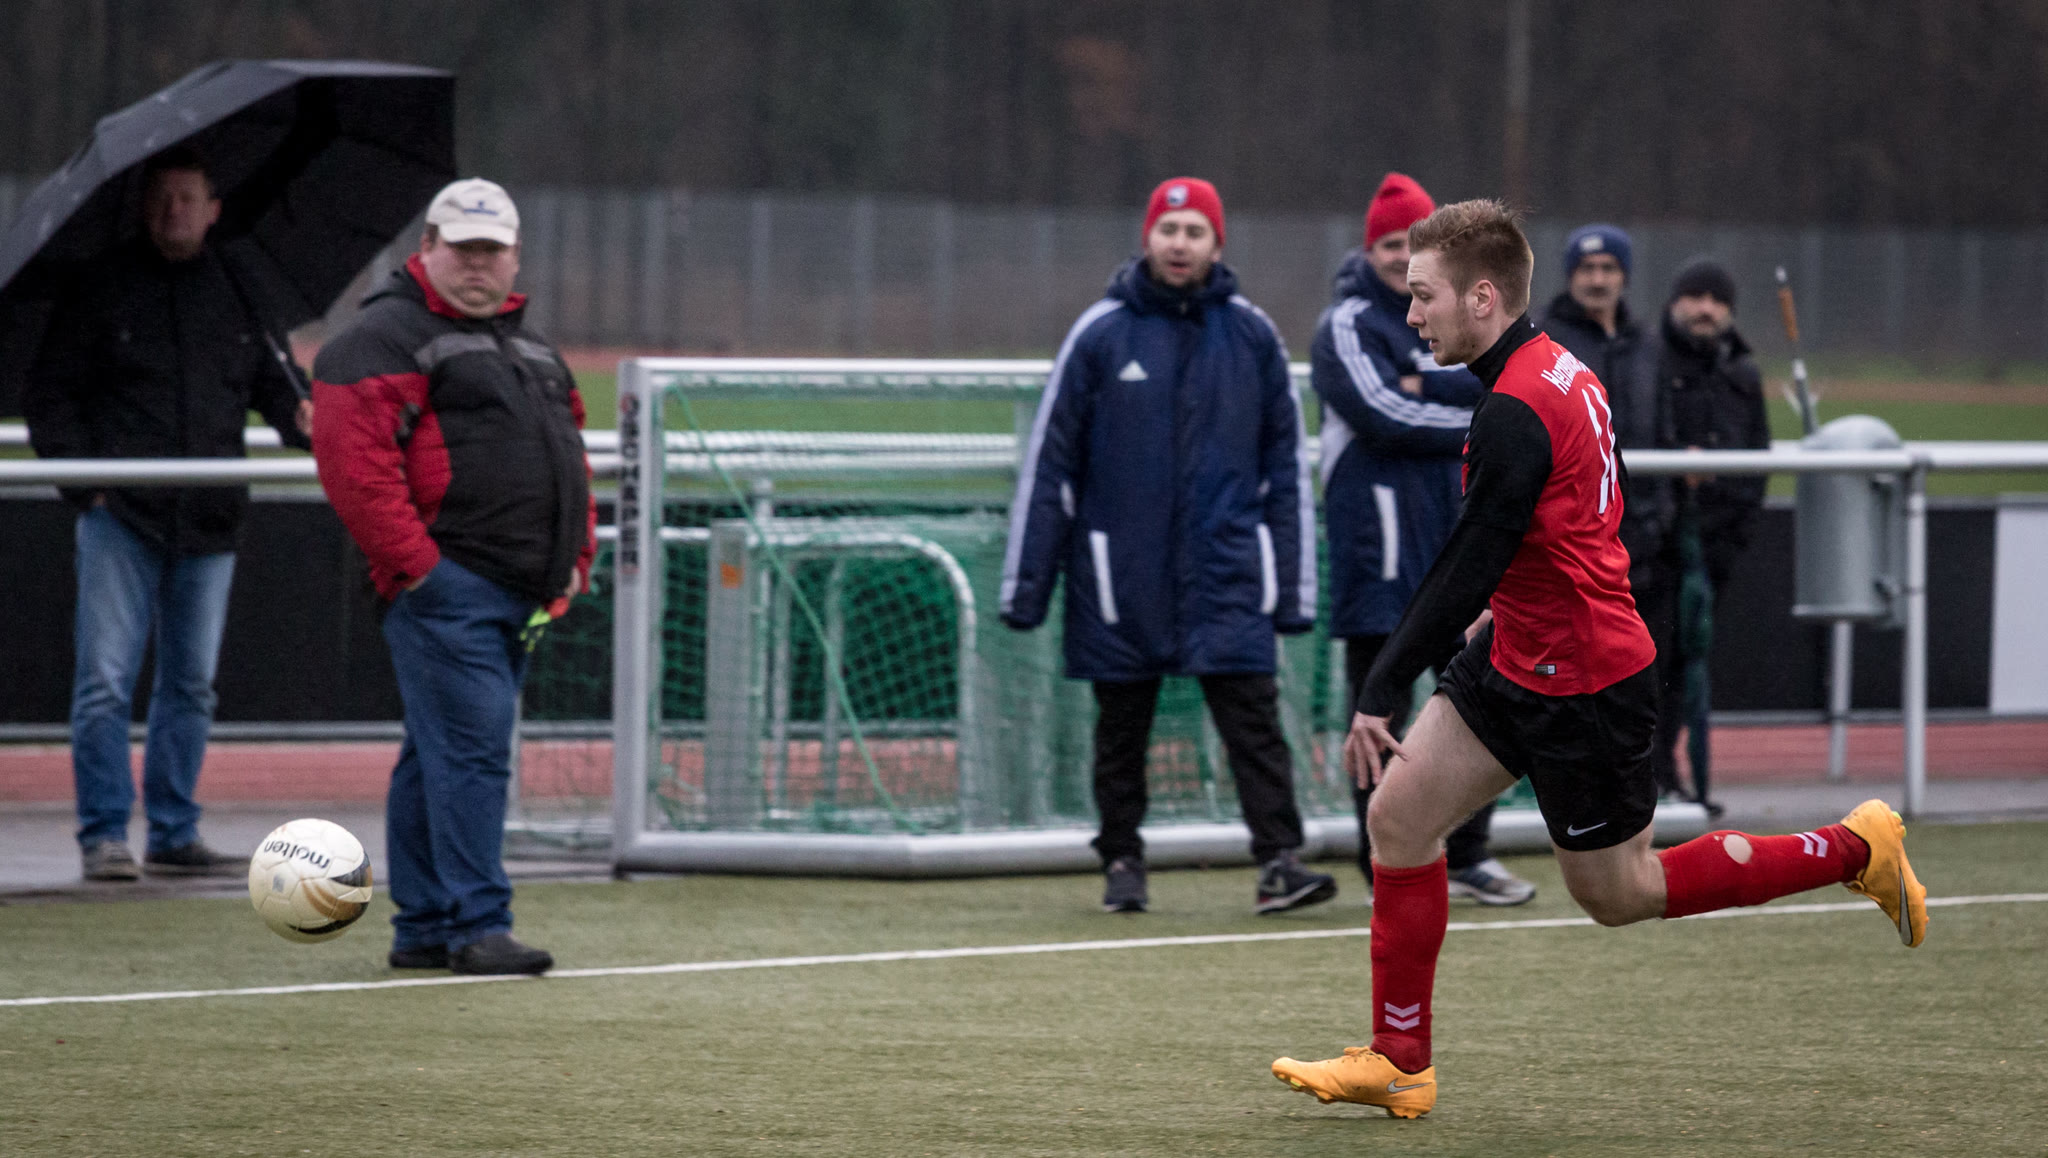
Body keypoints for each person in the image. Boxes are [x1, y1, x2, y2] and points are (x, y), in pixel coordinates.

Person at [1270, 201, 1926, 1120]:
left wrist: (1380, 688)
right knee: (1400, 819)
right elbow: (1552, 526)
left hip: (1584, 681)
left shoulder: (1516, 407)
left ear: (1483, 297)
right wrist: (1505, 607)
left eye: (1423, 296)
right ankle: (1399, 1062)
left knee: (1621, 894)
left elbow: (1467, 564)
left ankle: (1856, 848)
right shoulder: (1554, 366)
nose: (1411, 314)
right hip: (1517, 651)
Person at [1002, 176, 1335, 916]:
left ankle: (1279, 862)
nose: (1179, 244)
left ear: (1217, 244)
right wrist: (1026, 588)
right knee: (1122, 729)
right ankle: (1122, 860)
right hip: (1121, 575)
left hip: (1229, 573)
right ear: (1147, 237)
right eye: (1168, 230)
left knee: (1254, 723)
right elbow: (1051, 465)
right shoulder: (1099, 333)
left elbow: (1286, 472)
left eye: (1194, 232)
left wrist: (1291, 589)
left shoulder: (1253, 336)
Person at [311, 178, 596, 976]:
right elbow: (356, 473)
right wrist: (423, 573)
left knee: (435, 755)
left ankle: (428, 927)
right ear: (427, 249)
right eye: (463, 249)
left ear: (515, 256)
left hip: (515, 588)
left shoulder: (530, 348)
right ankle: (479, 924)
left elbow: (572, 457)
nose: (478, 264)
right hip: (450, 590)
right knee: (472, 753)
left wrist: (576, 557)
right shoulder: (378, 341)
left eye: (491, 250)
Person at [22, 145, 312, 882]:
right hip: (122, 517)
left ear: (214, 210)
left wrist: (305, 419)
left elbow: (276, 389)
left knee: (191, 686)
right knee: (104, 683)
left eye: (186, 197)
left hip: (210, 520)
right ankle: (104, 835)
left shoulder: (240, 289)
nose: (173, 210)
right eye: (161, 198)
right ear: (142, 209)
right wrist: (86, 488)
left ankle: (175, 830)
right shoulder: (103, 287)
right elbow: (50, 394)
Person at [1311, 172, 1532, 906]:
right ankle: (1385, 865)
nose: (1396, 260)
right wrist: (1471, 415)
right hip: (1377, 556)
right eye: (1385, 245)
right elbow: (1383, 413)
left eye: (1408, 247)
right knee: (1378, 711)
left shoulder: (1456, 320)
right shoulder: (1346, 323)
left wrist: (1426, 386)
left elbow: (1484, 386)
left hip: (1452, 546)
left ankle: (1468, 855)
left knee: (1478, 703)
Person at [1536, 224, 1680, 792]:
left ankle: (1654, 784)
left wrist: (1663, 514)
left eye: (1608, 269)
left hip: (1646, 540)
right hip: (1578, 545)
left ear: (1625, 276)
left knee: (1652, 673)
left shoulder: (1650, 345)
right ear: (1570, 275)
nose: (1598, 280)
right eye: (1587, 269)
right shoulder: (1546, 341)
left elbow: (1663, 429)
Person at [1649, 258, 1771, 812]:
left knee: (1687, 665)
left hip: (1715, 547)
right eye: (1695, 296)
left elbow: (1758, 457)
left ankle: (1670, 777)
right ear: (1675, 301)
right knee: (1650, 664)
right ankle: (1650, 777)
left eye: (1717, 300)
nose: (1706, 309)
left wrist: (1736, 534)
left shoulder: (1741, 371)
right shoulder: (1650, 359)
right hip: (1660, 545)